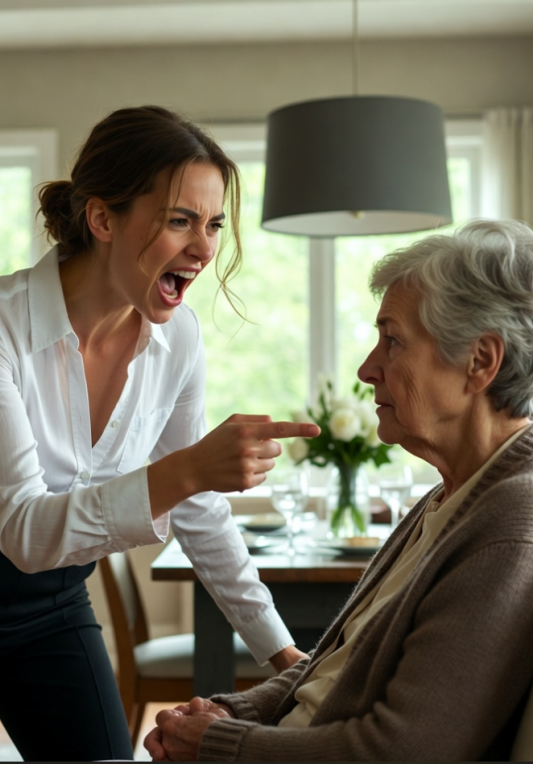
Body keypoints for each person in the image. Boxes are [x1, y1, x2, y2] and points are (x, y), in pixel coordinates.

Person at [0, 105, 321, 762]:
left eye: (212, 224)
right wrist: (189, 469)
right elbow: (27, 530)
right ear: (102, 219)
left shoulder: (177, 336)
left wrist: (283, 652)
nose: (205, 247)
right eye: (180, 219)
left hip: (52, 600)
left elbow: (198, 510)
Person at [146, 219, 533, 762]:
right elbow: (333, 669)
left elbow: (402, 750)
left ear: (480, 362)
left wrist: (220, 745)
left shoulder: (510, 524)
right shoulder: (451, 494)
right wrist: (234, 714)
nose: (366, 368)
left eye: (393, 340)